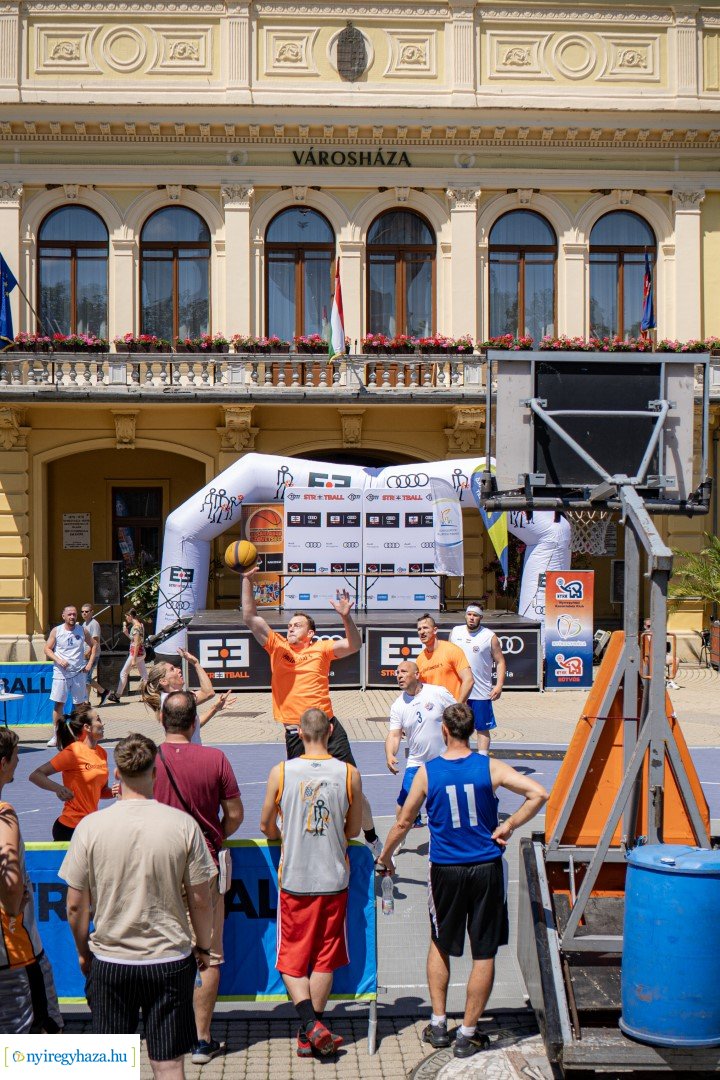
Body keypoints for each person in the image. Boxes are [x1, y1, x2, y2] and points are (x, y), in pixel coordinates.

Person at [378, 703, 548, 1059]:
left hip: (446, 870)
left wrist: (386, 857)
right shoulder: (490, 766)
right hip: (486, 867)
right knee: (483, 951)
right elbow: (539, 794)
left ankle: (439, 1024)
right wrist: (508, 825)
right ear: (472, 731)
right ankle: (468, 1032)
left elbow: (404, 822)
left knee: (440, 943)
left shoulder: (428, 772)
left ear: (444, 731)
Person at [59, 733, 216, 1080]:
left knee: (112, 1064)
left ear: (116, 773)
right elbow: (201, 898)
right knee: (169, 1063)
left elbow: (74, 905)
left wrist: (84, 951)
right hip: (169, 960)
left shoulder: (90, 827)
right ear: (155, 771)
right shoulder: (182, 826)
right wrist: (203, 945)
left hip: (112, 960)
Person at [243, 566, 381, 858]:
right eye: (289, 624)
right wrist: (246, 581)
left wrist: (346, 616)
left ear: (311, 632)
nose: (290, 627)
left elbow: (354, 644)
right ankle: (300, 845)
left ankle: (371, 839)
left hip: (328, 727)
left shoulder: (322, 649)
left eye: (297, 625)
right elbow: (250, 617)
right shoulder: (277, 647)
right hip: (297, 732)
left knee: (353, 788)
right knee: (301, 794)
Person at [260, 708, 363, 1059]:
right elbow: (353, 829)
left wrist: (283, 835)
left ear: (299, 734)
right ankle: (313, 1029)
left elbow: (265, 825)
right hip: (333, 876)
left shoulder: (282, 771)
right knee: (324, 956)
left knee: (290, 957)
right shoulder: (349, 773)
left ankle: (310, 1025)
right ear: (331, 730)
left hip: (296, 876)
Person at [154, 691, 244, 1066]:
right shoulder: (215, 758)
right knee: (208, 954)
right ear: (194, 723)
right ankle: (202, 1040)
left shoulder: (148, 759)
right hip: (204, 865)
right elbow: (235, 814)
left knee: (161, 951)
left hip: (158, 866)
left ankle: (165, 1034)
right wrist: (215, 835)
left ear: (163, 721)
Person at [0, 728, 63, 1034]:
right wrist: (13, 906)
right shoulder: (4, 814)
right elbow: (10, 878)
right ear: (3, 764)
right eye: (15, 758)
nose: (17, 765)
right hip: (15, 956)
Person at [382, 661, 456, 869]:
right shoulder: (398, 705)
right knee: (402, 808)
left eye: (404, 672)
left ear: (417, 674)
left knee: (444, 806)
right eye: (397, 673)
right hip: (416, 762)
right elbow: (394, 734)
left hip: (443, 760)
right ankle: (401, 837)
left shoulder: (438, 693)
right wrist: (390, 753)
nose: (399, 675)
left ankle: (443, 841)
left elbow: (458, 715)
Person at [28, 704, 112, 841]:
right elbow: (36, 775)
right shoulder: (73, 752)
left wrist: (116, 791)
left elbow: (101, 791)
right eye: (98, 719)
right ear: (87, 727)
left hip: (89, 826)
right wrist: (59, 788)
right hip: (70, 828)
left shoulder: (102, 753)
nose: (103, 724)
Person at [449, 604, 506, 754]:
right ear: (465, 615)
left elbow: (500, 661)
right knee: (460, 729)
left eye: (475, 615)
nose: (472, 618)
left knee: (482, 728)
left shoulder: (489, 636)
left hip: (480, 692)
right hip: (459, 691)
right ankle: (463, 759)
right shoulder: (455, 632)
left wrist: (499, 686)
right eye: (469, 614)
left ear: (481, 617)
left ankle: (482, 761)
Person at [141, 650, 220, 743]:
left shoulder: (172, 698)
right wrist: (195, 663)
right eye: (172, 669)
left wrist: (214, 709)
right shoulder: (176, 701)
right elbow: (208, 693)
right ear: (163, 681)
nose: (179, 670)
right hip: (186, 754)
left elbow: (195, 725)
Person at [44, 605, 96, 747]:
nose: (72, 617)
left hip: (78, 672)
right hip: (61, 673)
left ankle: (78, 733)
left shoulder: (82, 630)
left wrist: (90, 663)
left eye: (74, 614)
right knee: (59, 703)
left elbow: (94, 644)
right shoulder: (57, 631)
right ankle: (56, 735)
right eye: (69, 614)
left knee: (79, 705)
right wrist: (58, 660)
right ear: (64, 616)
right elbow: (47, 648)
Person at [415, 614, 473, 704]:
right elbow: (421, 689)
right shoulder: (420, 659)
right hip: (432, 712)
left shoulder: (451, 650)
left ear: (435, 630)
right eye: (419, 629)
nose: (422, 632)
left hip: (454, 711)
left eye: (425, 628)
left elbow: (469, 680)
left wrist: (458, 706)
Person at [106, 608, 148, 704]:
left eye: (126, 616)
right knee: (144, 675)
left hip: (136, 654)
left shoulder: (136, 627)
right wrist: (127, 634)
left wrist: (133, 659)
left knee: (123, 673)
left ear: (130, 616)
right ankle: (146, 695)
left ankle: (117, 695)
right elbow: (135, 640)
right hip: (140, 653)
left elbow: (136, 643)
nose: (126, 619)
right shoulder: (139, 625)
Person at [81, 602, 109, 706]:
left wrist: (88, 652)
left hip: (93, 655)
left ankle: (102, 692)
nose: (84, 613)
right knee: (86, 678)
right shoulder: (84, 624)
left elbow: (95, 641)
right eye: (82, 611)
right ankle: (88, 700)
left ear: (92, 612)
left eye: (86, 611)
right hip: (85, 654)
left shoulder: (94, 624)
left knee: (86, 678)